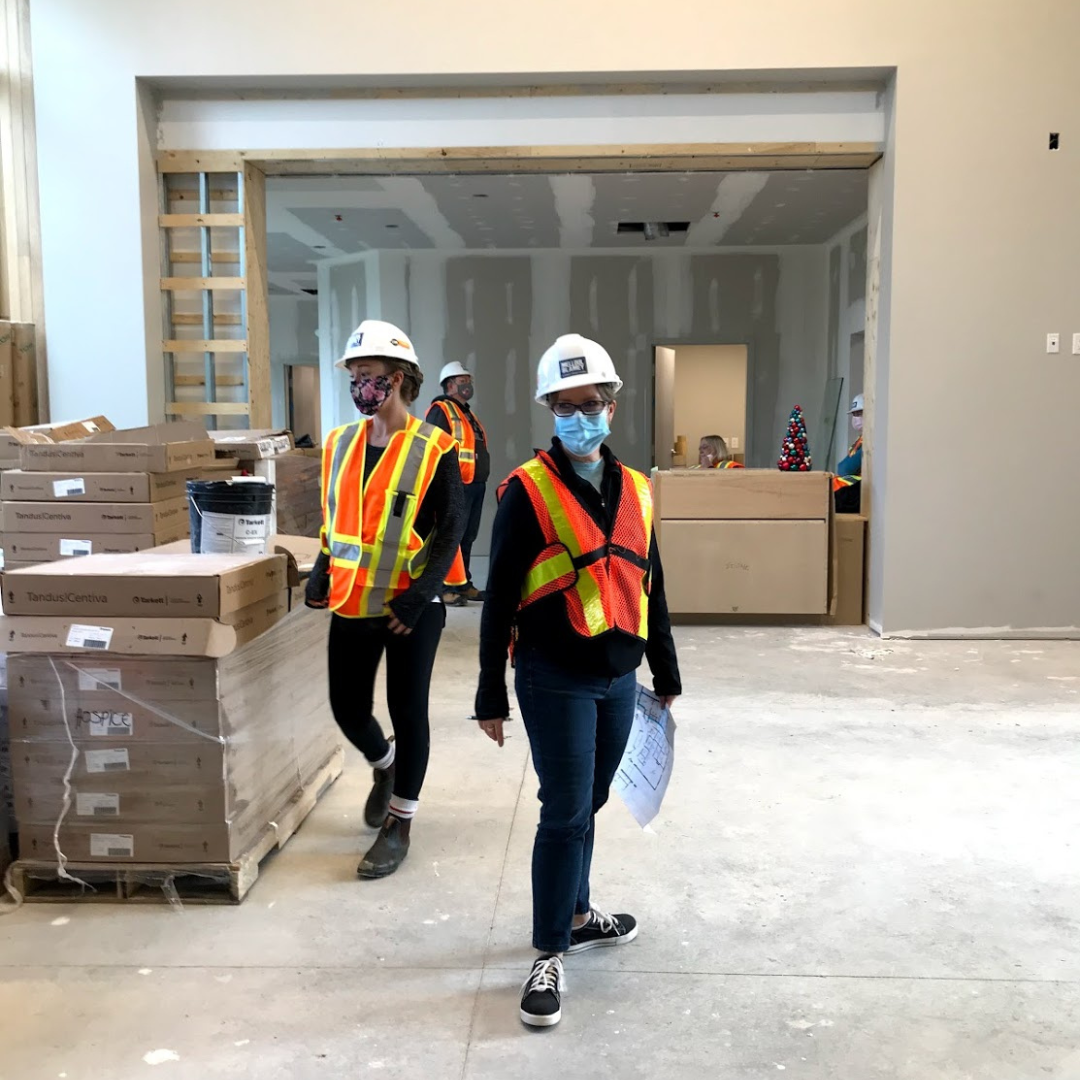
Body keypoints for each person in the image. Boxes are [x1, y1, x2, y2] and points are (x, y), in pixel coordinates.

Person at [475, 333, 682, 1029]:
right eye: (564, 407)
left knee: (589, 801)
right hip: (552, 675)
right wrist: (487, 692)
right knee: (564, 810)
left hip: (618, 676)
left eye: (589, 403)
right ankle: (549, 951)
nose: (578, 417)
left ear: (612, 408)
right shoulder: (527, 492)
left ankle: (578, 912)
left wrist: (667, 669)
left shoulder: (638, 490)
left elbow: (650, 582)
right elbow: (498, 596)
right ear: (549, 413)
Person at [306, 319, 467, 879]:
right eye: (354, 376)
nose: (360, 388)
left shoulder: (434, 447)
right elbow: (336, 515)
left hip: (411, 610)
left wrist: (420, 597)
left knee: (408, 708)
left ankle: (399, 824)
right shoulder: (339, 444)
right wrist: (323, 567)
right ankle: (385, 763)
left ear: (398, 379)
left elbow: (451, 530)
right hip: (353, 599)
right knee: (347, 708)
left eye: (369, 377)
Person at [426, 361, 490, 607]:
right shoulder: (441, 410)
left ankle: (464, 583)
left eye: (468, 380)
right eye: (463, 381)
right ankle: (444, 587)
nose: (468, 385)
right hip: (456, 486)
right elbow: (433, 447)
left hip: (474, 484)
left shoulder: (467, 414)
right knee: (449, 536)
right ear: (450, 385)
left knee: (467, 536)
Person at [833, 393, 863, 513]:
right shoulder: (860, 439)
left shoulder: (870, 441)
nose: (855, 418)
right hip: (851, 490)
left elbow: (845, 468)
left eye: (859, 413)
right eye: (854, 414)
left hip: (856, 494)